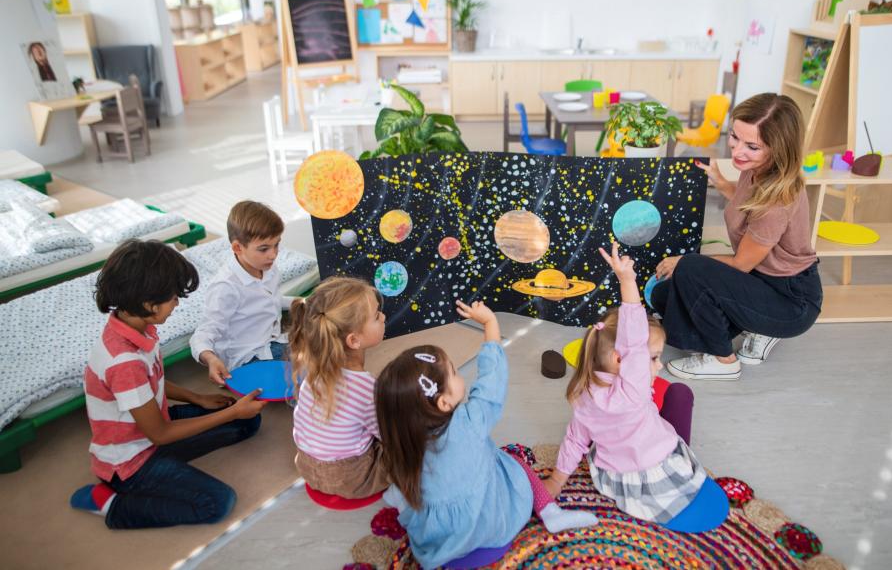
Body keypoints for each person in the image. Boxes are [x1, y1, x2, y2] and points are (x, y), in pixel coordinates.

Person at [375, 300, 597, 570]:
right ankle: (551, 511)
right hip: (492, 529)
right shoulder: (470, 422)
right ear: (443, 403)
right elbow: (492, 379)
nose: (459, 377)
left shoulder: (401, 443)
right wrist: (490, 323)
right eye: (454, 373)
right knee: (512, 462)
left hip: (441, 547)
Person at [69, 240, 265, 529]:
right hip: (132, 461)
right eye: (174, 297)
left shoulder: (139, 327)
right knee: (218, 502)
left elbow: (154, 380)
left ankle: (172, 466)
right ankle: (111, 504)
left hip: (151, 428)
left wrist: (198, 399)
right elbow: (160, 434)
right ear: (149, 304)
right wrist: (231, 414)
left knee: (248, 421)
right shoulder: (123, 361)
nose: (177, 303)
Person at [651, 93, 822, 380]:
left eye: (752, 146)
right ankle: (756, 325)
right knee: (662, 295)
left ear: (779, 149)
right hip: (761, 279)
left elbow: (741, 263)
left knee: (690, 268)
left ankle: (724, 360)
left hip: (790, 298)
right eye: (734, 137)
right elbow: (746, 205)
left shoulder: (777, 201)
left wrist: (682, 260)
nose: (737, 151)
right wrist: (721, 182)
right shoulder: (756, 169)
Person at [544, 243, 705, 525]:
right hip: (658, 471)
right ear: (622, 360)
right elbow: (633, 338)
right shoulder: (634, 388)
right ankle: (680, 451)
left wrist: (557, 480)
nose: (660, 364)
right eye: (653, 357)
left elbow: (575, 439)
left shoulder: (583, 393)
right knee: (679, 393)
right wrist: (627, 281)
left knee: (660, 390)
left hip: (615, 477)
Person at [288, 276, 391, 498]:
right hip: (352, 479)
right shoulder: (366, 390)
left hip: (306, 467)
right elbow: (390, 435)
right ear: (353, 341)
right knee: (413, 441)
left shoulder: (312, 374)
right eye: (376, 316)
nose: (383, 316)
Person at [191, 201, 294, 386]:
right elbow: (203, 334)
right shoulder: (225, 287)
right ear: (238, 248)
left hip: (272, 341)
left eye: (276, 245)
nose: (273, 254)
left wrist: (300, 302)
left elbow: (270, 300)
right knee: (307, 372)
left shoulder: (267, 267)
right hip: (247, 357)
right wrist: (211, 359)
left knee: (324, 343)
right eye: (264, 249)